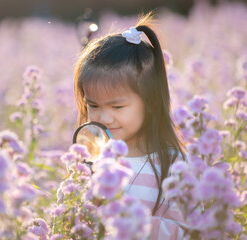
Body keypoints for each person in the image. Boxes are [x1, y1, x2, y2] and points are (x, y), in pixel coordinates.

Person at [73, 12, 186, 239]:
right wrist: (88, 209)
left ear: (151, 102)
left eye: (117, 107)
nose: (103, 118)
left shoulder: (173, 165)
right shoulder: (92, 158)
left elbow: (186, 230)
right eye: (93, 105)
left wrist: (129, 220)